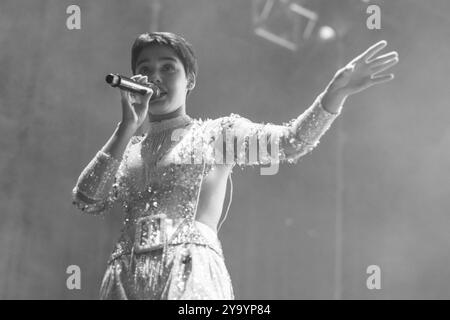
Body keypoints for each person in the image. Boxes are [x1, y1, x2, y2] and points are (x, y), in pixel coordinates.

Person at [72, 32, 398, 299]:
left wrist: (334, 94)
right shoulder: (127, 149)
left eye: (168, 67)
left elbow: (291, 142)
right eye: (146, 68)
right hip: (123, 278)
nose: (156, 77)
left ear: (191, 80)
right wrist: (126, 126)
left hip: (188, 272)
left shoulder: (216, 134)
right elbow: (87, 201)